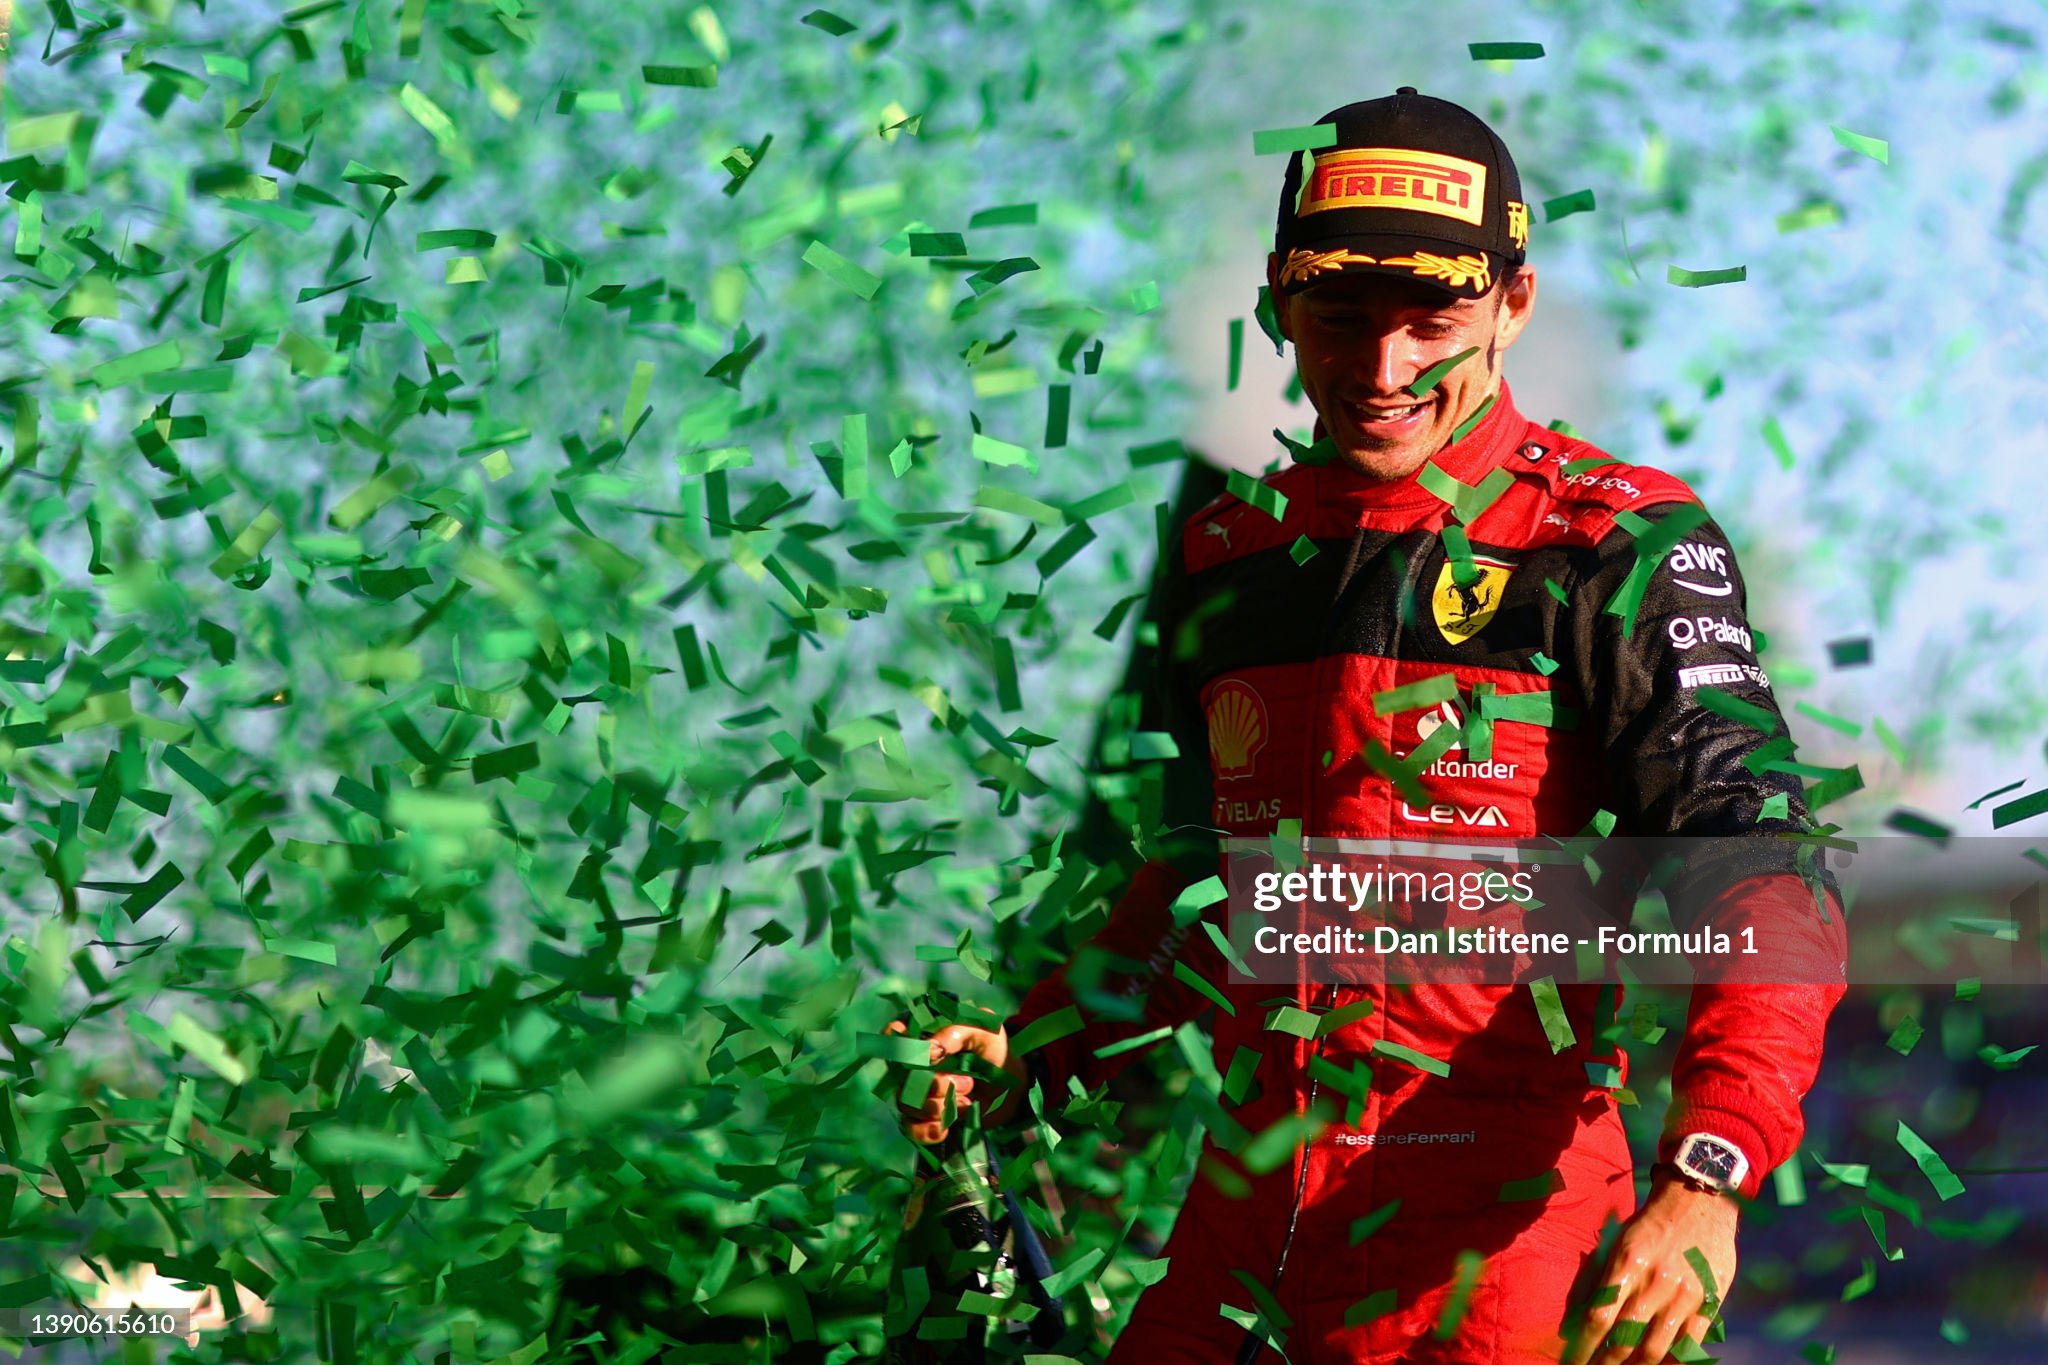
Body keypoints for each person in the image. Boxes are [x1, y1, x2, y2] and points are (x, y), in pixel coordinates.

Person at [889, 89, 1848, 1365]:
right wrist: (1040, 1050)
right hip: (1247, 1229)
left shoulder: (1612, 541)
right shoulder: (1231, 550)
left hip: (1496, 1240)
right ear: (1278, 302)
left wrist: (1708, 1168)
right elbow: (1199, 895)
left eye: (1433, 316)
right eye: (1339, 313)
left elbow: (1757, 863)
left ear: (1513, 303)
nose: (1382, 366)